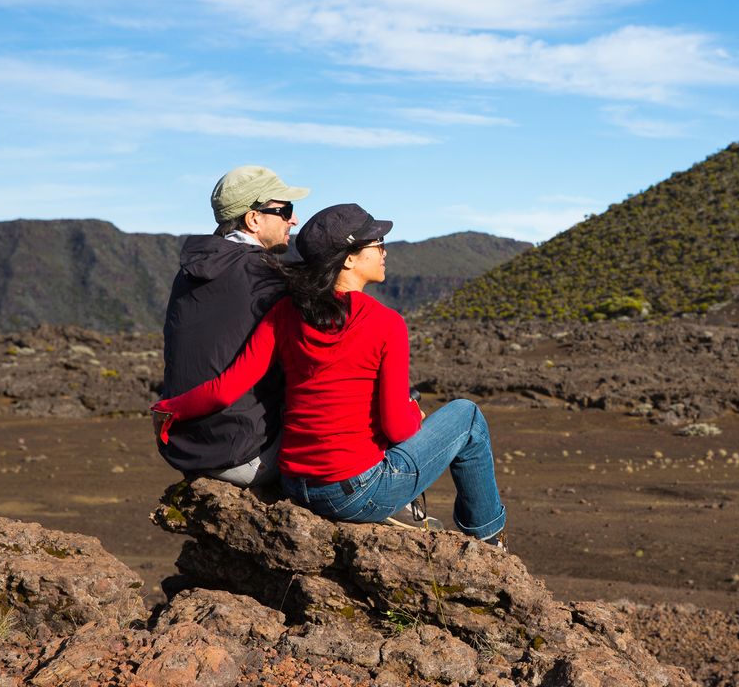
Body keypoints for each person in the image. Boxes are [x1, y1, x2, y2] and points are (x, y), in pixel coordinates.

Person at [152, 203, 507, 544]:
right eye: (377, 243)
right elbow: (399, 428)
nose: (384, 251)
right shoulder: (386, 323)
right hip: (355, 491)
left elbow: (227, 387)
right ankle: (489, 535)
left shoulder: (285, 313)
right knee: (467, 415)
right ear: (350, 258)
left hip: (296, 484)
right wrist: (413, 412)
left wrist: (170, 409)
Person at [158, 165, 307, 486]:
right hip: (243, 451)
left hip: (184, 446)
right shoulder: (264, 276)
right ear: (253, 219)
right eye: (285, 211)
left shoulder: (189, 273)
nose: (293, 220)